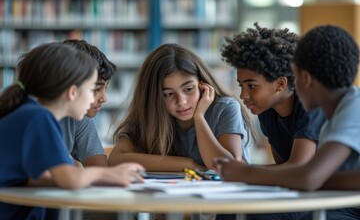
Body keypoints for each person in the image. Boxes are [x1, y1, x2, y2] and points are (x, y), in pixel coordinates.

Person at [214, 25, 360, 219]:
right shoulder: (338, 110)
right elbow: (310, 175)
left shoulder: (352, 109)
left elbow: (308, 177)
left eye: (295, 76)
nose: (293, 85)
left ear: (305, 78)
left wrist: (246, 173)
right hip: (334, 201)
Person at [0, 43, 144, 220]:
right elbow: (70, 180)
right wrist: (111, 174)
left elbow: (35, 178)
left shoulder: (28, 112)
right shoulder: (40, 118)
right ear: (73, 92)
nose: (99, 98)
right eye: (92, 90)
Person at [108, 43, 258, 171]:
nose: (182, 102)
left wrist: (199, 118)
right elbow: (115, 159)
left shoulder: (225, 108)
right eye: (168, 94)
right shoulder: (151, 115)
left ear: (202, 84)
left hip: (228, 201)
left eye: (188, 89)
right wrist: (188, 164)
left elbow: (229, 166)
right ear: (154, 97)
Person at [220, 22, 326, 168]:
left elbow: (297, 169)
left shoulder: (312, 104)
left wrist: (240, 171)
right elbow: (282, 166)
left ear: (280, 84)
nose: (243, 95)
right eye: (241, 85)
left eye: (252, 86)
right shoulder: (266, 110)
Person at [60, 39, 117, 167]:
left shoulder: (79, 114)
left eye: (105, 88)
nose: (104, 98)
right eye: (96, 89)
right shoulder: (37, 116)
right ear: (71, 88)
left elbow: (99, 166)